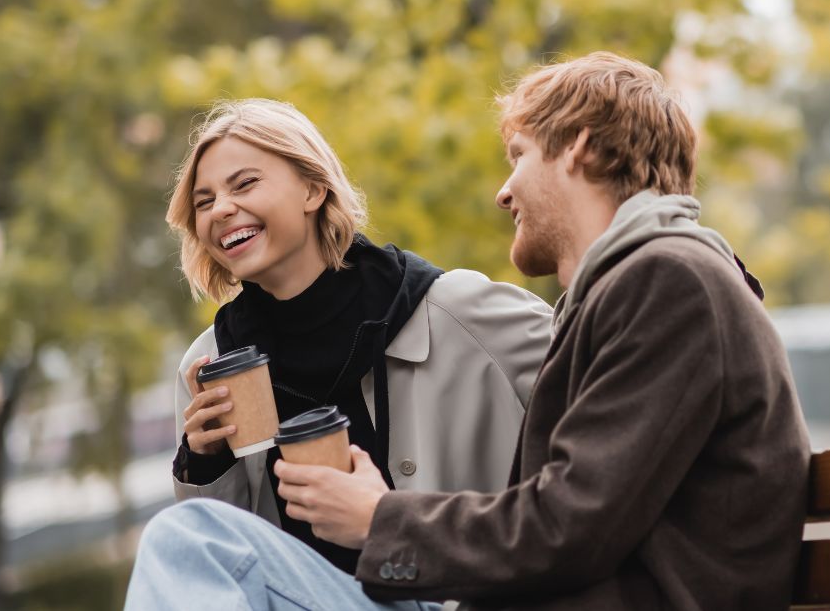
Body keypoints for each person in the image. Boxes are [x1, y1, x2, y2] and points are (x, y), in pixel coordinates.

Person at [125, 54, 811, 610]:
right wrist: (202, 459)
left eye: (518, 156)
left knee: (191, 543)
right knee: (195, 538)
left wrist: (377, 520)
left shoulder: (667, 283)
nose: (503, 190)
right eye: (205, 200)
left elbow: (570, 525)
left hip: (442, 592)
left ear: (578, 149)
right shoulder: (634, 290)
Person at [161, 98, 552, 579]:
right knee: (169, 539)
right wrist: (204, 463)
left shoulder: (460, 310)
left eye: (245, 184)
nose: (221, 209)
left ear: (312, 189)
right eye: (204, 202)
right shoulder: (209, 365)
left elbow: (609, 398)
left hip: (457, 595)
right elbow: (220, 563)